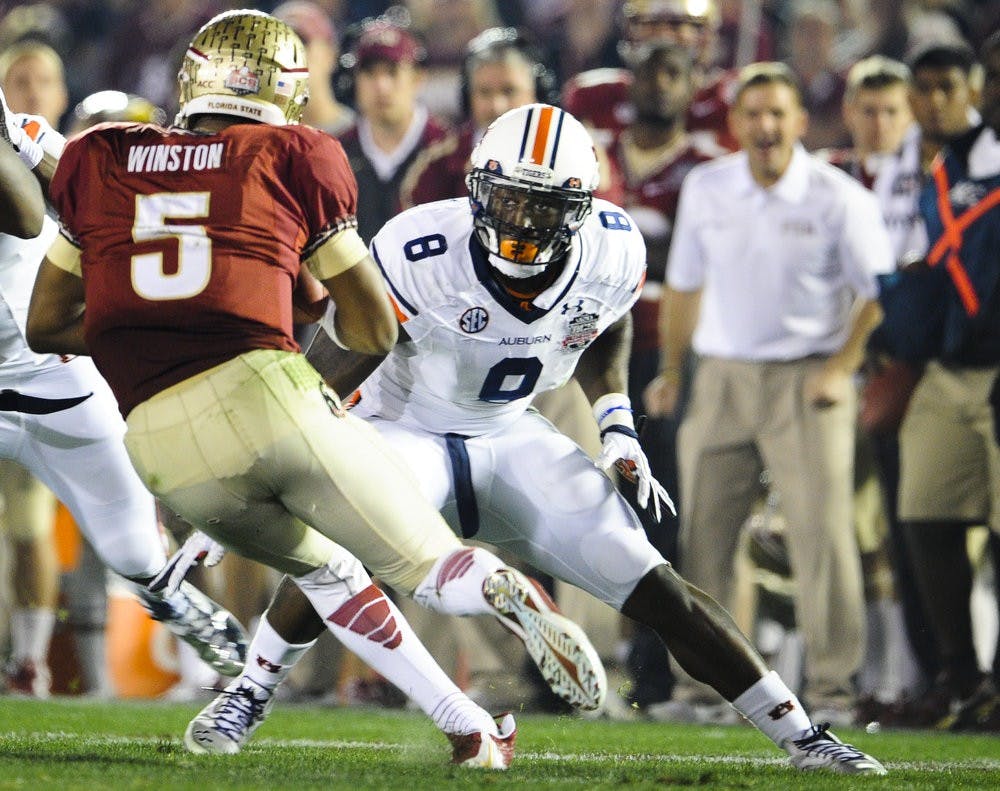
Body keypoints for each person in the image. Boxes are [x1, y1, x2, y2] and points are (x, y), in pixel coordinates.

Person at [172, 101, 885, 775]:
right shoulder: (421, 250)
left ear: (578, 209)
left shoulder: (612, 250)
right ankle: (247, 693)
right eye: (508, 197)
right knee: (340, 547)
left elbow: (605, 325)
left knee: (654, 583)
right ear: (478, 189)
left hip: (512, 434)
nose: (521, 218)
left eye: (543, 205)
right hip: (406, 427)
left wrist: (616, 425)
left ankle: (805, 736)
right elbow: (321, 377)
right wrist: (253, 476)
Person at [25, 10, 604, 768]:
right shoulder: (292, 152)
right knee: (425, 560)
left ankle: (468, 727)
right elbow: (372, 327)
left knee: (327, 573)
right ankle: (502, 587)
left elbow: (45, 325)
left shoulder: (102, 156)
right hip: (268, 392)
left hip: (160, 441)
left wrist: (139, 329)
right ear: (288, 90)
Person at [644, 62, 895, 724]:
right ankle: (703, 688)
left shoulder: (840, 196)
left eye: (778, 114)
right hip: (722, 374)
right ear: (734, 125)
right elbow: (686, 288)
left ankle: (835, 689)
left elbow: (879, 296)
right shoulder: (707, 186)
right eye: (753, 114)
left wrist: (840, 367)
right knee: (704, 536)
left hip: (807, 377)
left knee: (822, 536)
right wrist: (673, 371)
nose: (765, 127)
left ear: (800, 122)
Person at [0, 85, 249, 696]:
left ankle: (195, 626)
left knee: (134, 552)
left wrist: (13, 139)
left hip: (54, 376)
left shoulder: (25, 138)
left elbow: (51, 212)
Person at [875, 32, 1000, 733]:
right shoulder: (936, 170)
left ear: (974, 91)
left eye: (947, 88)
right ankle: (960, 672)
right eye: (922, 90)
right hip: (948, 369)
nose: (932, 102)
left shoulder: (988, 162)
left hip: (995, 364)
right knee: (922, 512)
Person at [562, 0, 738, 153]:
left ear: (706, 34)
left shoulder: (732, 98)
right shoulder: (596, 96)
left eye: (676, 25)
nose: (663, 36)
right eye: (651, 25)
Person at [335, 15, 449, 243]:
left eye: (392, 71)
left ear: (418, 77)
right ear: (354, 79)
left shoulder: (449, 152)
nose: (381, 86)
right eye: (369, 73)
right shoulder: (335, 153)